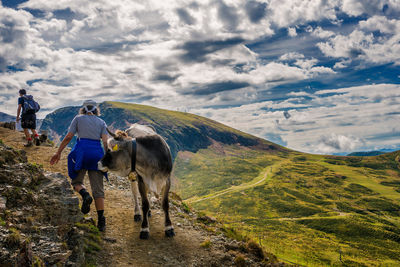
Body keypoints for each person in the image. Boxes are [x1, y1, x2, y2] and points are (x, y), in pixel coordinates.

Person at [50, 100, 109, 231]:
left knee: (76, 181)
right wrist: (106, 158)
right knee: (98, 189)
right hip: (97, 154)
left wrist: (58, 152)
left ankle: (85, 195)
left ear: (83, 109)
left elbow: (68, 137)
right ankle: (101, 221)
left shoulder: (78, 118)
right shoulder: (101, 122)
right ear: (95, 110)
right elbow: (105, 142)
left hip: (81, 152)